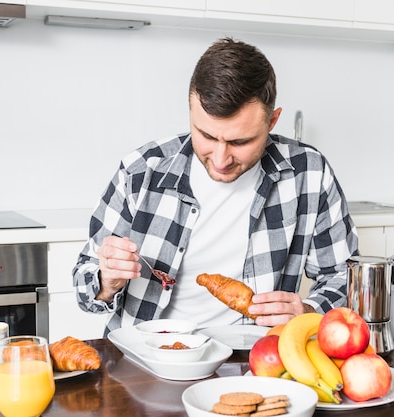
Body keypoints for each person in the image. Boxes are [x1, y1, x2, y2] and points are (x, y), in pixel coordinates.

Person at [72, 37, 358, 336]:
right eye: (206, 136)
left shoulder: (308, 172)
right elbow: (84, 287)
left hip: (253, 356)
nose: (221, 159)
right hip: (144, 357)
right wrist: (106, 281)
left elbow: (343, 276)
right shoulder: (141, 170)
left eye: (240, 141)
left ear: (272, 121)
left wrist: (308, 312)